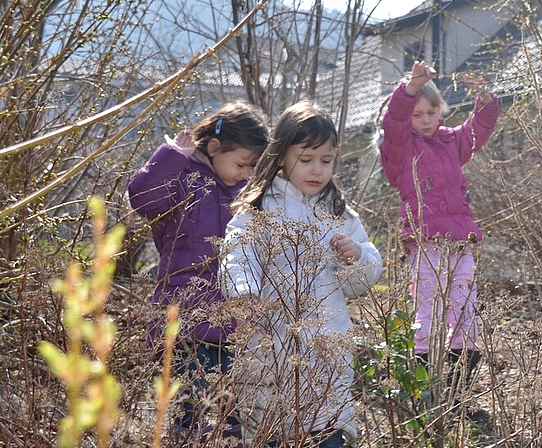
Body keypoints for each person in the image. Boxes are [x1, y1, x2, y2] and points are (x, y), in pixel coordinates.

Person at [220, 100, 383, 447]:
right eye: (306, 159)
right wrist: (244, 292)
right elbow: (237, 252)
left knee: (329, 434)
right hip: (272, 353)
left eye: (326, 161)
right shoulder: (260, 210)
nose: (317, 170)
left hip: (328, 356)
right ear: (281, 157)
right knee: (273, 433)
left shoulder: (339, 213)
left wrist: (356, 259)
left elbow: (361, 279)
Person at [127, 101, 269, 444]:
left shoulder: (245, 193)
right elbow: (141, 198)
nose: (245, 173)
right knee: (187, 414)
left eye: (253, 167)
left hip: (231, 328)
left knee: (230, 415)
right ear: (215, 147)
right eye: (241, 164)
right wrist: (172, 155)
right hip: (183, 321)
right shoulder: (182, 177)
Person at [379, 61, 499, 394]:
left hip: (461, 244)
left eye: (431, 112)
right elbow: (395, 122)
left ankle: (459, 394)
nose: (425, 120)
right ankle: (424, 392)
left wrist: (486, 101)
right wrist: (410, 89)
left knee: (466, 313)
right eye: (417, 115)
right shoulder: (401, 149)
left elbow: (479, 130)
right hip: (426, 246)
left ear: (440, 111)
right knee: (427, 315)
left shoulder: (451, 142)